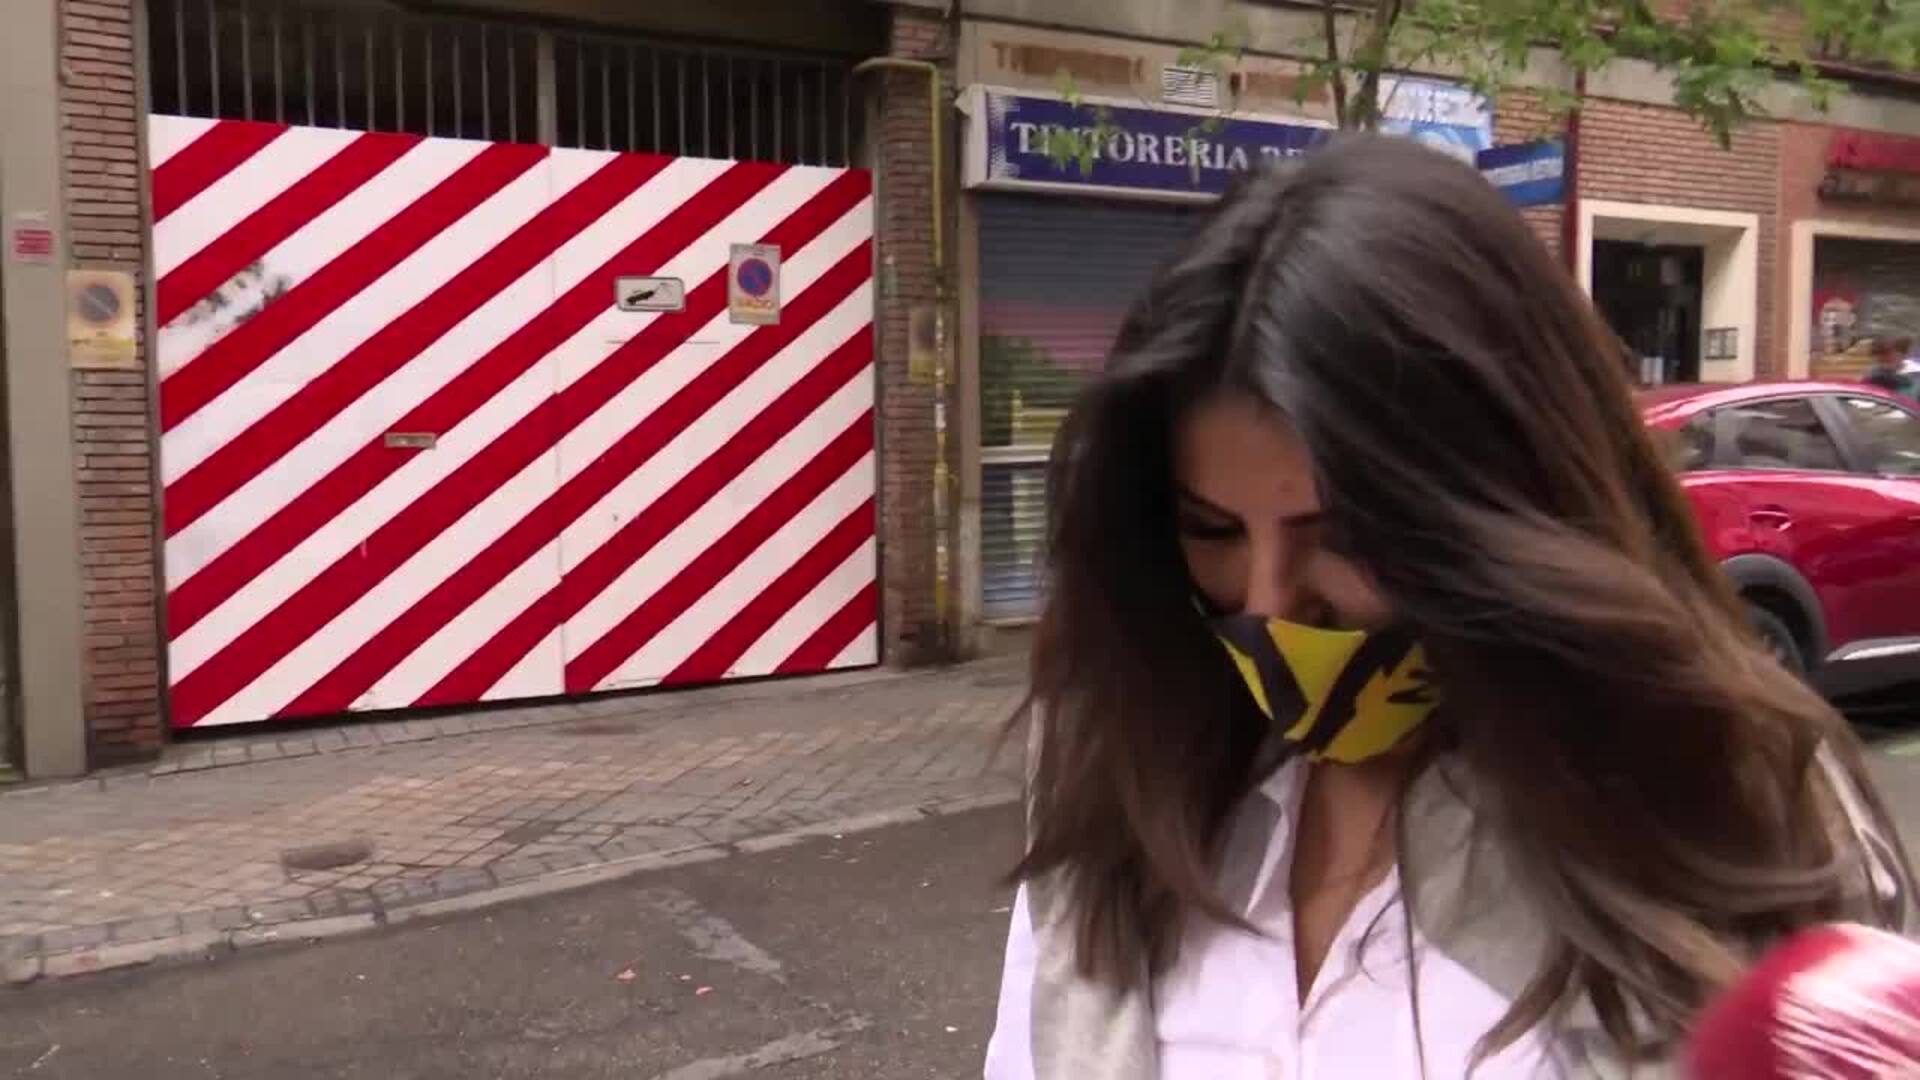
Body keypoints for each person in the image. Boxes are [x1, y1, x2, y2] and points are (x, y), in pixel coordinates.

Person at [983, 136, 1916, 1080]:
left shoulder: (1728, 802)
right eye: (1213, 530)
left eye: (1342, 532)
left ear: (1499, 509)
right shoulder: (1125, 759)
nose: (1268, 605)